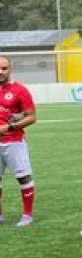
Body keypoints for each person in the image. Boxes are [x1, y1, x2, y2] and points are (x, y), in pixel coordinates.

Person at [0, 57, 38, 226]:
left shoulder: (20, 90)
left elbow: (31, 117)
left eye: (4, 68)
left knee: (23, 177)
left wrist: (9, 127)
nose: (1, 71)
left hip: (14, 141)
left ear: (10, 69)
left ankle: (27, 215)